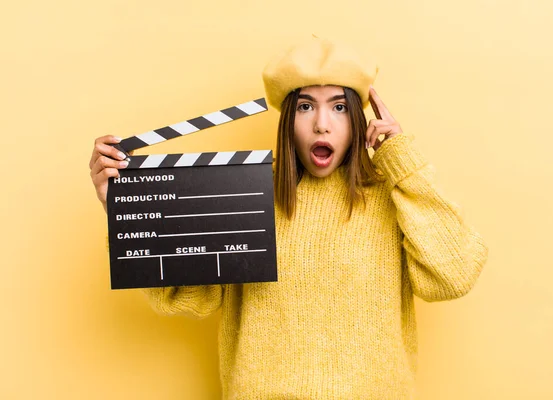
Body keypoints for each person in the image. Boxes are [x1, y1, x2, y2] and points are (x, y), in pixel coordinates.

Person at [89, 37, 488, 399]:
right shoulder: (243, 196)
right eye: (305, 106)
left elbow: (453, 274)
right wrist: (123, 210)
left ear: (358, 118)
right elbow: (188, 298)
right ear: (288, 121)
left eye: (338, 107)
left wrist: (402, 160)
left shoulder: (392, 196)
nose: (321, 123)